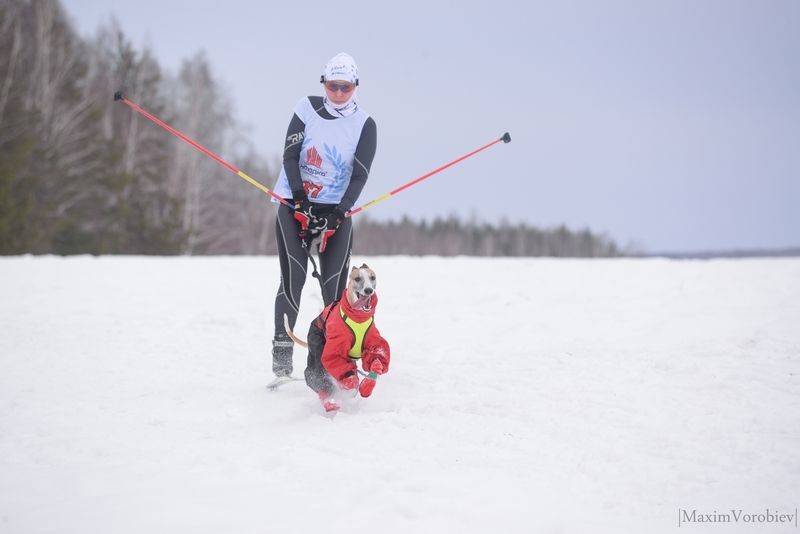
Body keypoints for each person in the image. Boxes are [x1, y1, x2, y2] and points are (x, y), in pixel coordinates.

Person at [270, 52, 377, 378]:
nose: (339, 93)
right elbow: (290, 156)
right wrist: (300, 198)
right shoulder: (306, 108)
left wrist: (341, 212)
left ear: (355, 86)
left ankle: (330, 369)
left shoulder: (365, 125)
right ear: (324, 84)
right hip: (294, 204)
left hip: (336, 214)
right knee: (294, 281)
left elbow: (359, 175)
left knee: (335, 293)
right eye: (333, 86)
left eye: (346, 87)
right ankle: (281, 366)